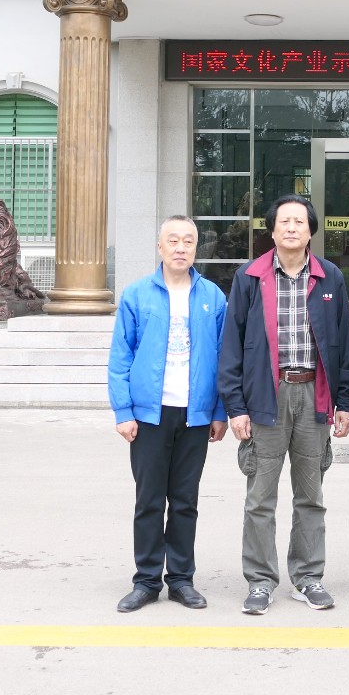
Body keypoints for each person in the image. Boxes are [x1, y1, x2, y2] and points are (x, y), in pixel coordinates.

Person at [218, 193, 349, 615]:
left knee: (310, 496)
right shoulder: (250, 277)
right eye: (285, 221)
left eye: (300, 221)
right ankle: (260, 581)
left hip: (314, 395)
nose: (293, 227)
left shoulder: (329, 277)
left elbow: (344, 345)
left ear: (311, 229)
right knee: (260, 497)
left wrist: (345, 402)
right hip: (266, 396)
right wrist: (236, 407)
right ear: (273, 230)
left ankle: (308, 577)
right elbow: (231, 346)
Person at [107, 214, 229, 613]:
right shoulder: (136, 295)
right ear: (160, 247)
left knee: (184, 501)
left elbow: (224, 358)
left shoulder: (213, 297)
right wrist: (124, 411)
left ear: (197, 248)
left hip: (195, 415)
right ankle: (146, 581)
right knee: (149, 501)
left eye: (188, 241)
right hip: (149, 416)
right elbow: (121, 357)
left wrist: (219, 411)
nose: (180, 248)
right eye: (173, 240)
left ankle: (180, 579)